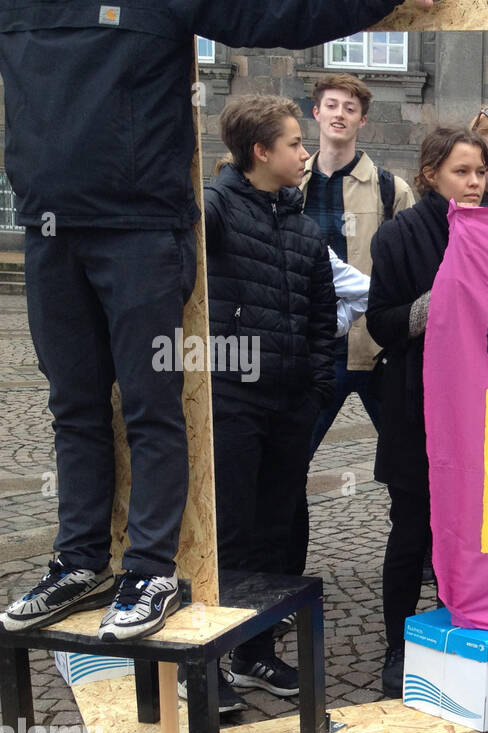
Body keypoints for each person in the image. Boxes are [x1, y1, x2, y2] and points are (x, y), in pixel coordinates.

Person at [0, 0, 427, 639]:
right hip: (48, 226)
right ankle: (79, 560)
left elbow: (278, 17)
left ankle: (150, 569)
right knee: (75, 405)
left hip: (141, 228)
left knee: (151, 403)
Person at [204, 97, 335, 702]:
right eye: (293, 143)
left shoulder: (305, 230)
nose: (305, 153)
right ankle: (209, 664)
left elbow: (321, 322)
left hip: (289, 407)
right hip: (231, 402)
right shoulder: (215, 211)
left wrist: (312, 391)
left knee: (279, 531)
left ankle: (256, 652)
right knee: (232, 530)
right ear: (261, 152)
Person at [368, 127, 488, 698]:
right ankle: (399, 644)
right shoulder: (398, 235)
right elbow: (381, 324)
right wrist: (442, 296)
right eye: (462, 171)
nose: (473, 183)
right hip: (415, 404)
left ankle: (455, 632)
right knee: (411, 530)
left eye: (479, 172)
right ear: (431, 174)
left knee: (465, 531)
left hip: (479, 409)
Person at [289, 73, 417, 578]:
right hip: (315, 350)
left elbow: (411, 266)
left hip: (378, 349)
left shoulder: (391, 188)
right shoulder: (288, 182)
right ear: (315, 113)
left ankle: (418, 557)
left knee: (411, 465)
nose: (339, 114)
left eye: (349, 108)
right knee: (288, 461)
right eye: (330, 105)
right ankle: (283, 569)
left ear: (362, 120)